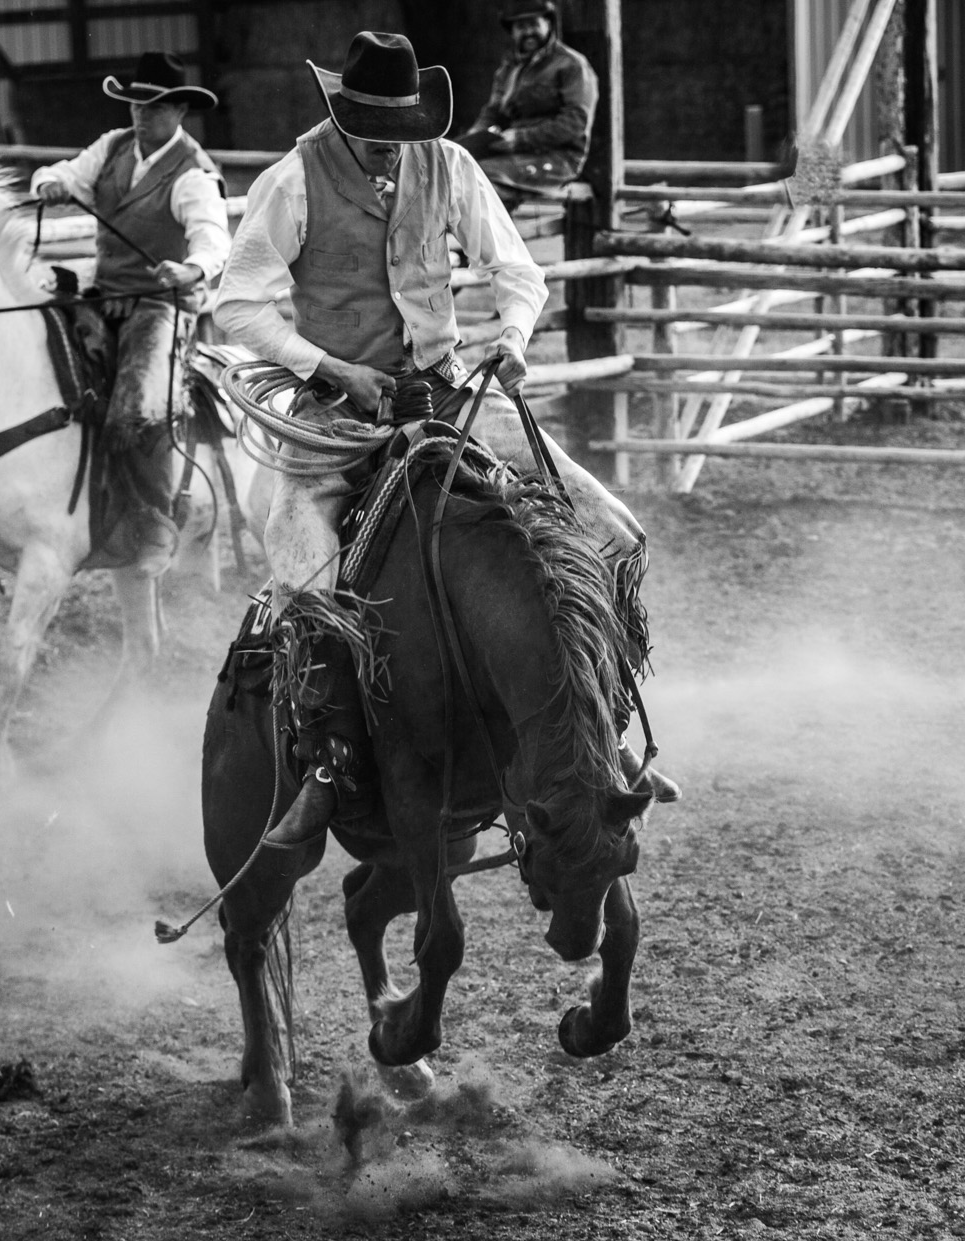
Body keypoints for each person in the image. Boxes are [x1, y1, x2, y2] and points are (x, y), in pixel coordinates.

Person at [214, 31, 673, 807]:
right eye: (378, 137)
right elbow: (236, 303)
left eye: (404, 133)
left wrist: (514, 341)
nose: (395, 150)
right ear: (344, 116)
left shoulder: (448, 164)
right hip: (335, 414)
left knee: (614, 531)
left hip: (450, 390)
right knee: (304, 569)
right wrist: (330, 370)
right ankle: (326, 763)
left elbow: (516, 271)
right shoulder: (291, 182)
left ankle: (607, 738)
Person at [31, 51, 231, 561]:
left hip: (161, 305)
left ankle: (152, 525)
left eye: (157, 106)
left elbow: (211, 239)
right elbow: (65, 174)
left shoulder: (193, 173)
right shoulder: (112, 146)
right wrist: (47, 184)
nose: (143, 114)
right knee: (37, 342)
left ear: (180, 112)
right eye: (138, 103)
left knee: (140, 406)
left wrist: (191, 269)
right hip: (106, 292)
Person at [456, 1, 598, 208]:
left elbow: (576, 122)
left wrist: (521, 138)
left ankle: (499, 239)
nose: (528, 32)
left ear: (548, 24)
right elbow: (494, 112)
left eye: (534, 24)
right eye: (521, 27)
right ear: (512, 31)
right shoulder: (509, 69)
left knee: (479, 176)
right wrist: (475, 137)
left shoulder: (572, 65)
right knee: (454, 165)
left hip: (559, 159)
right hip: (511, 154)